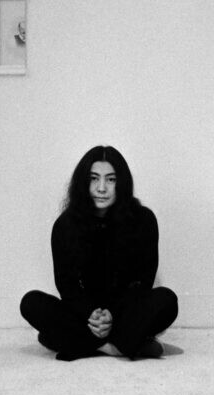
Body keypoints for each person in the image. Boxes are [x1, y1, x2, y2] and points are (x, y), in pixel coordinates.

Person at [20, 146, 178, 361]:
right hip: (84, 316)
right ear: (83, 183)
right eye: (94, 179)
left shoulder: (143, 220)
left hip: (125, 312)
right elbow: (67, 286)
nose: (101, 188)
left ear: (121, 183)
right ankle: (120, 346)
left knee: (167, 300)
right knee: (31, 302)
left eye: (111, 180)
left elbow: (144, 280)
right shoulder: (65, 225)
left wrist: (112, 314)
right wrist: (90, 315)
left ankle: (73, 343)